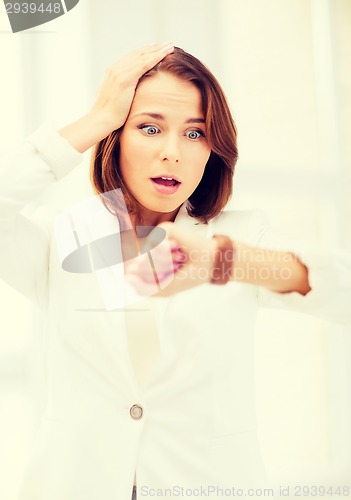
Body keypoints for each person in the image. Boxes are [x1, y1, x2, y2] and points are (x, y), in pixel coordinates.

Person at [0, 41, 350, 500]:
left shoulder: (239, 235)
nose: (173, 153)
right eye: (149, 128)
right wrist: (96, 118)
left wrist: (224, 260)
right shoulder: (62, 238)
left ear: (212, 149)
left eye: (194, 133)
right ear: (117, 135)